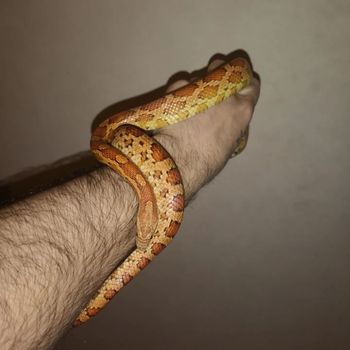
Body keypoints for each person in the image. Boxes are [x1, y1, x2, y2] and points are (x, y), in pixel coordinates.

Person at [0, 58, 260, 349]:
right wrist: (186, 155)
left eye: (143, 233)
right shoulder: (112, 149)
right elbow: (110, 143)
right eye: (146, 234)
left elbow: (117, 139)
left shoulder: (116, 144)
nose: (144, 239)